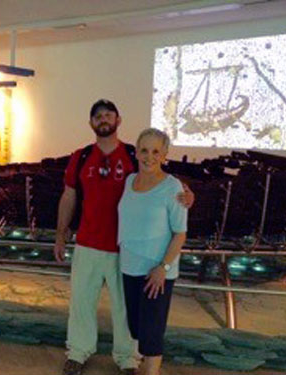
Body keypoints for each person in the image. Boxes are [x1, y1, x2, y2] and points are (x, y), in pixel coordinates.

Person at [54, 99, 194, 375]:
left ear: (118, 120)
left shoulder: (133, 155)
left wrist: (188, 194)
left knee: (125, 308)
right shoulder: (80, 157)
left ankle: (128, 357)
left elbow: (162, 179)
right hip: (87, 243)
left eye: (109, 114)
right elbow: (69, 195)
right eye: (97, 116)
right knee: (81, 303)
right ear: (91, 123)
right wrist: (61, 233)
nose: (103, 119)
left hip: (124, 250)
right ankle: (78, 351)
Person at [118, 129, 187, 375]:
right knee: (137, 327)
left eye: (156, 151)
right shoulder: (129, 181)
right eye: (144, 150)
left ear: (165, 154)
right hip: (129, 266)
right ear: (136, 152)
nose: (149, 156)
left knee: (152, 330)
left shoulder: (173, 187)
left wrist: (163, 268)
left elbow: (180, 232)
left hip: (156, 270)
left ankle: (151, 372)